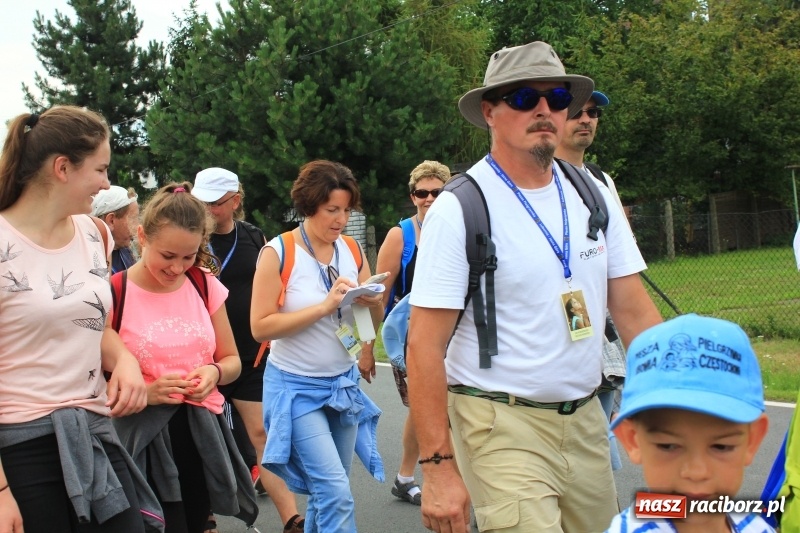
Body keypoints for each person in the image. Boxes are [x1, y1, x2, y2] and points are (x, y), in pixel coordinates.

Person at [406, 41, 663, 533]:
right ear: (489, 113)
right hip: (500, 423)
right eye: (524, 97)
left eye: (557, 96)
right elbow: (424, 345)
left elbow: (633, 310)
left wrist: (678, 402)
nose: (545, 109)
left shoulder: (593, 190)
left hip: (587, 417)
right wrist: (438, 469)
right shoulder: (460, 208)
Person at [0, 106, 157, 533]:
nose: (107, 183)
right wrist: (0, 491)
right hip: (21, 449)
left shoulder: (95, 234)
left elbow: (94, 325)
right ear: (62, 168)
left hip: (93, 432)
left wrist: (124, 361)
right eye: (101, 169)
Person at [111, 182, 258, 533]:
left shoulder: (203, 284)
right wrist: (145, 393)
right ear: (142, 237)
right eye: (167, 256)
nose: (178, 268)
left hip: (201, 435)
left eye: (189, 256)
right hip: (143, 439)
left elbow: (232, 360)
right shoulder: (114, 292)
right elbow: (91, 388)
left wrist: (213, 372)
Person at [251, 160, 385, 532]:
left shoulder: (352, 249)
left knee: (328, 495)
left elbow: (361, 317)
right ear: (309, 206)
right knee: (336, 493)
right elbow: (260, 327)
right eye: (332, 210)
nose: (341, 219)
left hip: (341, 384)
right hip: (294, 388)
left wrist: (371, 308)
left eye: (346, 209)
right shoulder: (279, 252)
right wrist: (324, 306)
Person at [191, 167, 305, 533]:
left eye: (214, 202)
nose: (206, 208)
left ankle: (292, 519)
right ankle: (203, 515)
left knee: (262, 436)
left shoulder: (255, 236)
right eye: (201, 201)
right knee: (202, 441)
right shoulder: (191, 239)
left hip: (252, 357)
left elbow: (275, 287)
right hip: (203, 360)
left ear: (235, 201)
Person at [607, 314, 772, 533]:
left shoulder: (756, 527)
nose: (697, 472)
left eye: (721, 446)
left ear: (753, 440)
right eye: (668, 446)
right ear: (632, 440)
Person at [555, 90, 627, 471]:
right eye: (577, 113)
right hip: (563, 320)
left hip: (598, 320)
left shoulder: (600, 179)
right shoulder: (543, 179)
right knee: (587, 434)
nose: (586, 120)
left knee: (600, 424)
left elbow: (621, 256)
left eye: (593, 112)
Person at [375, 159, 450, 507]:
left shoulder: (458, 229)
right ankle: (412, 476)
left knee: (448, 406)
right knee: (428, 407)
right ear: (413, 196)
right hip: (412, 338)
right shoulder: (400, 234)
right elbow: (379, 295)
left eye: (438, 191)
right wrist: (365, 346)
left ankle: (407, 477)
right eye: (422, 193)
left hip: (455, 333)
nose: (430, 198)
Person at [91, 185, 140, 273]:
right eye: (133, 218)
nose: (137, 226)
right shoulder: (92, 263)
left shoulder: (127, 251)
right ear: (111, 221)